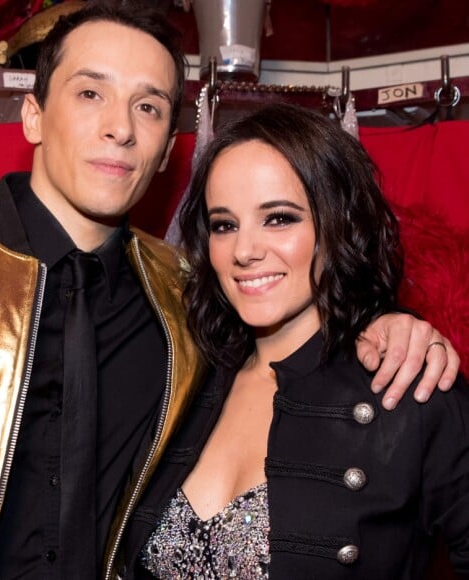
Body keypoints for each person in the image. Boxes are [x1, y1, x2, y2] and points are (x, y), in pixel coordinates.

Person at [0, 4, 460, 580]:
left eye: (149, 106)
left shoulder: (182, 300)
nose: (121, 127)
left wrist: (390, 322)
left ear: (168, 149)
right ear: (32, 115)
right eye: (91, 94)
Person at [120, 104, 469, 579]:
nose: (245, 251)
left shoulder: (409, 385)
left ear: (336, 223)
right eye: (225, 224)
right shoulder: (180, 377)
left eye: (279, 218)